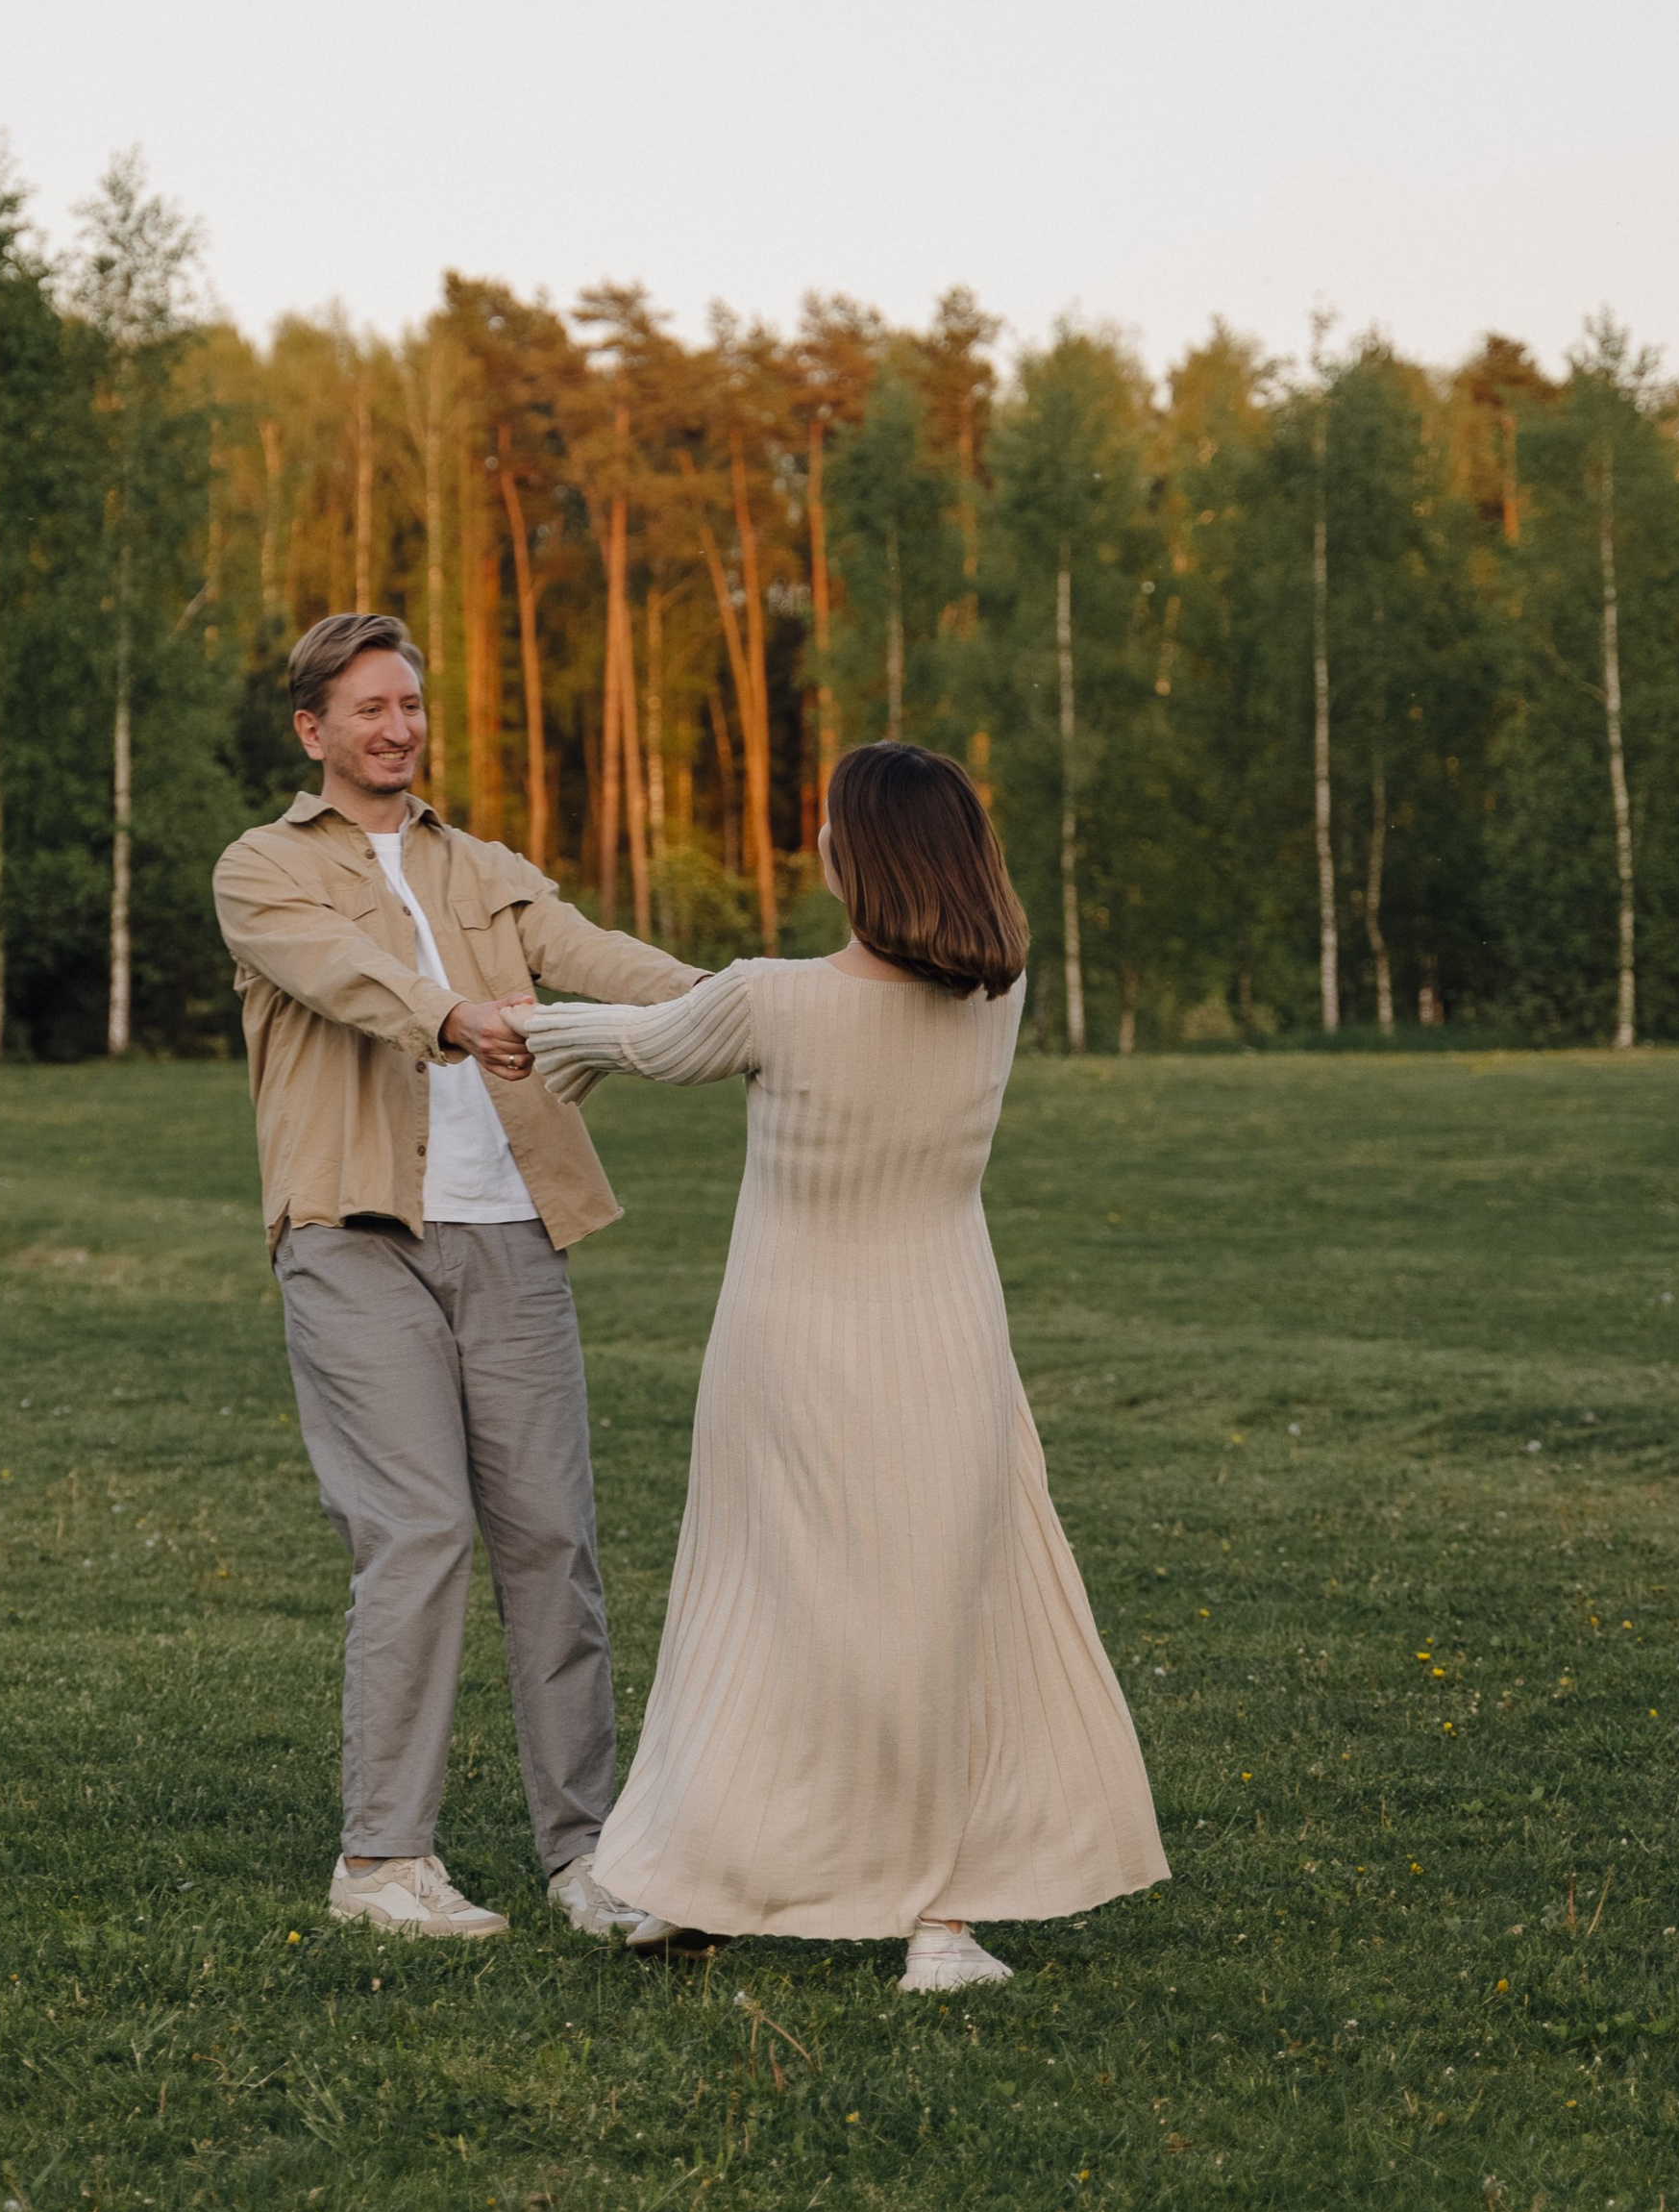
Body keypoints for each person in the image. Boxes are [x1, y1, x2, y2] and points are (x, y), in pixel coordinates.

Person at [519, 738, 1167, 1991]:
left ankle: (691, 1883)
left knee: (757, 1607)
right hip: (952, 1344)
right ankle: (936, 1923)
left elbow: (647, 1044)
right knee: (946, 1626)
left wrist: (531, 1027)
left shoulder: (772, 995)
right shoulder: (1001, 994)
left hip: (797, 1342)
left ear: (853, 854)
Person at [212, 612, 704, 1943]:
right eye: (369, 708)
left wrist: (738, 1005)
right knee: (420, 1530)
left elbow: (595, 955)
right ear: (314, 730)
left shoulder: (480, 864)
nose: (398, 726)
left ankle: (589, 1857)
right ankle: (382, 1863)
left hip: (511, 1235)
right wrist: (454, 1017)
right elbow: (342, 973)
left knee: (555, 1536)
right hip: (355, 1232)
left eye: (411, 704)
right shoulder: (262, 870)